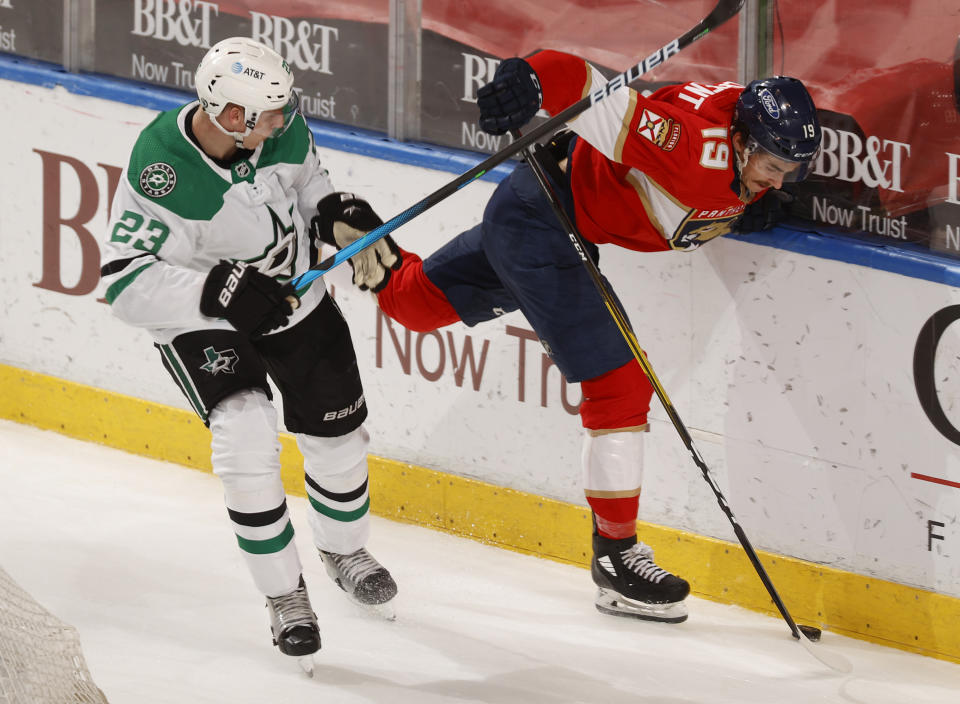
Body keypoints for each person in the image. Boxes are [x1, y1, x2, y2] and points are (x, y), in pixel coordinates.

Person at [317, 50, 822, 624]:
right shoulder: (689, 144)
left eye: (793, 171)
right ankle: (617, 559)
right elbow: (589, 89)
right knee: (621, 387)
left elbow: (704, 195)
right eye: (772, 165)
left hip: (537, 210)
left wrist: (737, 207)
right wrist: (532, 77)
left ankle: (371, 257)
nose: (779, 181)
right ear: (737, 138)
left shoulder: (736, 150)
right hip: (546, 222)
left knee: (414, 307)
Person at [98, 37, 402, 663]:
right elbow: (124, 282)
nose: (286, 120)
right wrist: (216, 288)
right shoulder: (162, 167)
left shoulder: (276, 125)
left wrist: (334, 211)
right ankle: (284, 595)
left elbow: (310, 180)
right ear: (232, 118)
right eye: (272, 114)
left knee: (339, 437)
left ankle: (344, 552)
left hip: (296, 298)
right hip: (205, 318)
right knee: (244, 437)